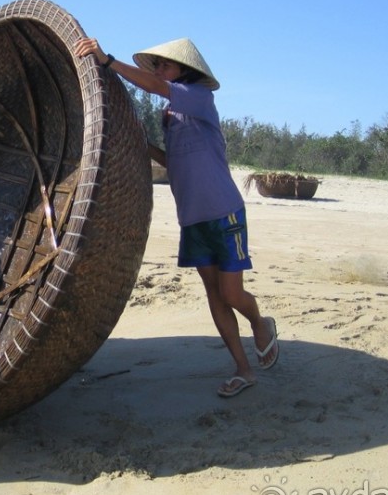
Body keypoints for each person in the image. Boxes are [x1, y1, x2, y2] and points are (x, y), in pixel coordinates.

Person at [74, 36, 279, 398]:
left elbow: (155, 87)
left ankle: (261, 324)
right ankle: (243, 370)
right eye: (158, 67)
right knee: (214, 294)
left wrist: (108, 62)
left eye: (165, 66)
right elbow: (175, 162)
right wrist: (143, 144)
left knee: (231, 293)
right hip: (192, 219)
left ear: (184, 71)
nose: (159, 71)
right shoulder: (169, 115)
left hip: (223, 211)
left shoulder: (199, 98)